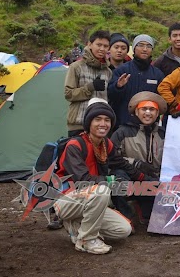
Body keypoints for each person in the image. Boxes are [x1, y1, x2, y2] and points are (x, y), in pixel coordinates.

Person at [55, 99, 144, 254]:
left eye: (107, 120)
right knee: (101, 190)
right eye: (98, 119)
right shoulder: (75, 146)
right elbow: (84, 180)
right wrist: (111, 181)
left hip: (91, 199)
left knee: (124, 230)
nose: (103, 124)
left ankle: (78, 226)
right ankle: (86, 240)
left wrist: (144, 177)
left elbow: (121, 164)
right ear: (89, 123)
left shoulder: (105, 144)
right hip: (67, 200)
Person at [110, 92, 167, 222]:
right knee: (117, 177)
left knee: (150, 219)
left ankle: (143, 209)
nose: (148, 113)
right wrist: (135, 163)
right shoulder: (122, 132)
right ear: (136, 112)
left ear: (157, 113)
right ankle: (125, 216)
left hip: (153, 181)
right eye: (144, 109)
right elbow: (111, 158)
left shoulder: (165, 134)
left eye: (152, 109)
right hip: (131, 177)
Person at [108, 34, 165, 126]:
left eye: (149, 46)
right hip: (123, 124)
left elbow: (162, 99)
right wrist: (118, 87)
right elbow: (111, 96)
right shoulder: (122, 70)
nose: (145, 49)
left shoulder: (157, 74)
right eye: (141, 45)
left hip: (148, 125)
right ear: (134, 48)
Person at [64, 30, 113, 137]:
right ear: (90, 44)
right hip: (79, 123)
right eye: (99, 45)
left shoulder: (108, 71)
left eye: (105, 46)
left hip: (100, 126)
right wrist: (90, 87)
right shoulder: (76, 67)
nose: (102, 49)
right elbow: (68, 94)